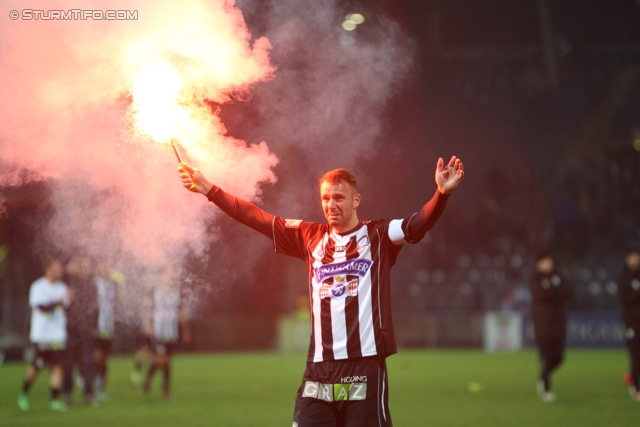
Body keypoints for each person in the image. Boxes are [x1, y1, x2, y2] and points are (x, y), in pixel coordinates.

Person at [178, 155, 464, 426]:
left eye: (339, 197)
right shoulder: (309, 236)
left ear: (356, 200)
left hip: (362, 369)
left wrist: (441, 194)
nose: (331, 204)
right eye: (325, 198)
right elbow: (257, 218)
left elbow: (417, 224)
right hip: (318, 371)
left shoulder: (378, 234)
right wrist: (209, 190)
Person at [18, 257, 71, 412]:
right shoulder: (38, 287)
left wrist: (62, 301)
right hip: (42, 335)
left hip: (58, 335)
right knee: (37, 366)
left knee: (58, 367)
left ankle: (54, 400)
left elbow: (64, 307)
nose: (60, 270)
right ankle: (24, 392)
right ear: (48, 269)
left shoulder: (62, 287)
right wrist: (60, 301)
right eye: (57, 267)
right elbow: (42, 308)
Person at [142, 266, 192, 398]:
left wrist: (186, 330)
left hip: (171, 331)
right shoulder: (154, 291)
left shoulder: (176, 292)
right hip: (158, 331)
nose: (170, 277)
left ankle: (157, 386)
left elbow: (180, 312)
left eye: (171, 275)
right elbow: (145, 310)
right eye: (167, 274)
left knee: (167, 361)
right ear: (161, 276)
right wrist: (149, 326)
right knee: (161, 359)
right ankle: (162, 388)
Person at [530, 252, 572, 402]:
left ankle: (543, 376)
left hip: (558, 323)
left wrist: (553, 291)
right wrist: (554, 291)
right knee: (546, 355)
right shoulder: (535, 279)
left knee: (559, 357)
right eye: (544, 262)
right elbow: (541, 295)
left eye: (549, 261)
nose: (548, 264)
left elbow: (568, 291)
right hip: (543, 324)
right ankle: (546, 388)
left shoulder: (558, 276)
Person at [62, 254, 100, 406]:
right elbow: (66, 269)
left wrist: (94, 327)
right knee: (69, 363)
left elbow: (95, 308)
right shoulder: (69, 281)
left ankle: (88, 394)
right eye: (82, 264)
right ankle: (66, 394)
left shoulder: (92, 284)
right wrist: (77, 259)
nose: (85, 267)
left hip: (86, 331)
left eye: (87, 264)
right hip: (70, 330)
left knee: (87, 362)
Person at [93, 260, 118, 402]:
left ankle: (101, 387)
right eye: (101, 264)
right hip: (95, 326)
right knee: (95, 356)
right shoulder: (92, 283)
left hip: (108, 327)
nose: (105, 267)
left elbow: (117, 302)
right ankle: (86, 381)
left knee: (103, 359)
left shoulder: (112, 284)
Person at [617, 246, 640, 401]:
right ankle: (636, 388)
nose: (634, 259)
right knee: (636, 355)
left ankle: (631, 377)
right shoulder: (622, 278)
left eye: (637, 256)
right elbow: (625, 299)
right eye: (632, 256)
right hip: (632, 322)